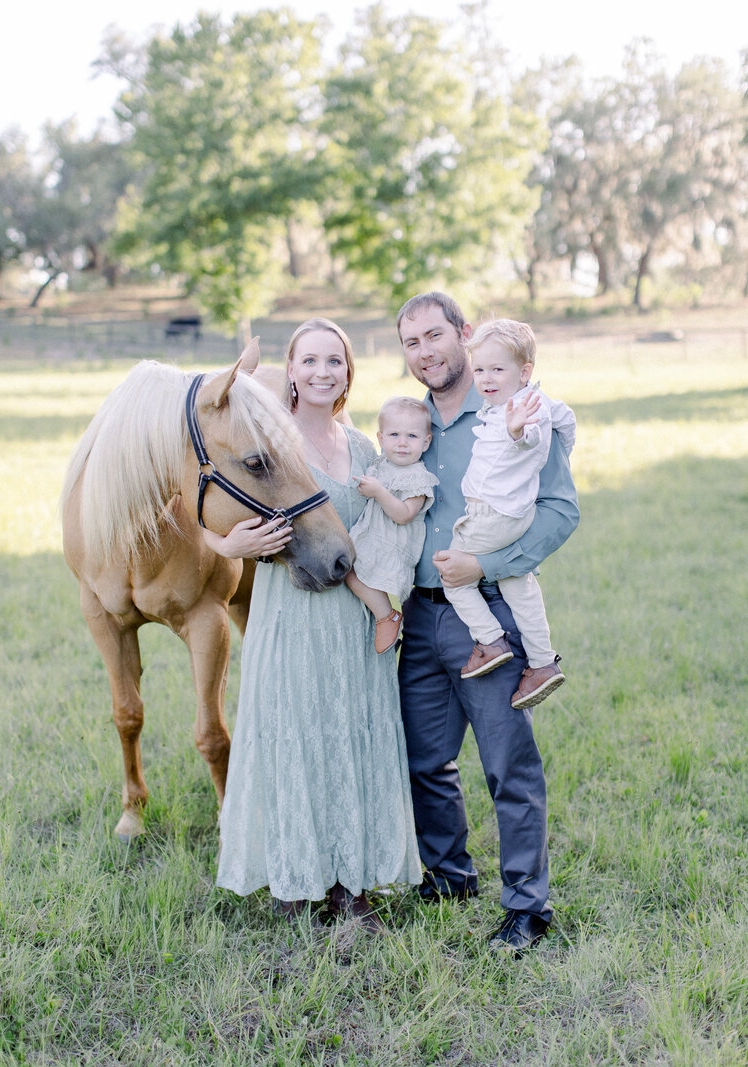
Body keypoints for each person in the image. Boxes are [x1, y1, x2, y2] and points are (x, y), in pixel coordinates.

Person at [211, 317, 422, 929]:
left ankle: (351, 889)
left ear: (348, 372)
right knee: (295, 738)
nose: (323, 371)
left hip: (355, 622)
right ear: (292, 371)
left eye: (335, 361)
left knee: (350, 739)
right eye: (310, 361)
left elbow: (391, 524)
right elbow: (188, 510)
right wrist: (229, 547)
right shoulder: (265, 445)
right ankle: (295, 882)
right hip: (289, 614)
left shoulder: (364, 450)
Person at [396, 292, 579, 955]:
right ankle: (449, 873)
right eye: (411, 341)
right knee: (424, 758)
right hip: (421, 617)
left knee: (509, 765)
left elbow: (562, 510)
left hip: (489, 615)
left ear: (463, 335)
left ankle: (528, 906)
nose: (426, 351)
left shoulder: (515, 412)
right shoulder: (410, 425)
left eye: (435, 335)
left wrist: (486, 562)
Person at [442, 318, 577, 710]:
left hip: (491, 514)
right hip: (513, 515)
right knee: (518, 582)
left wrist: (520, 432)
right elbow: (565, 417)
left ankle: (489, 640)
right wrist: (567, 442)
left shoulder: (521, 409)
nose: (485, 378)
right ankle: (541, 662)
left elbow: (530, 435)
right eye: (479, 369)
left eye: (497, 369)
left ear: (524, 372)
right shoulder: (533, 400)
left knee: (454, 575)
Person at [345, 396, 439, 654]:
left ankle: (387, 616)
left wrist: (379, 492)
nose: (402, 443)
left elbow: (405, 514)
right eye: (394, 434)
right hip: (371, 536)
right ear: (381, 438)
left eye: (411, 436)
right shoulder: (380, 465)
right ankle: (383, 617)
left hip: (391, 544)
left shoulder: (417, 477)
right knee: (348, 570)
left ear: (426, 441)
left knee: (350, 573)